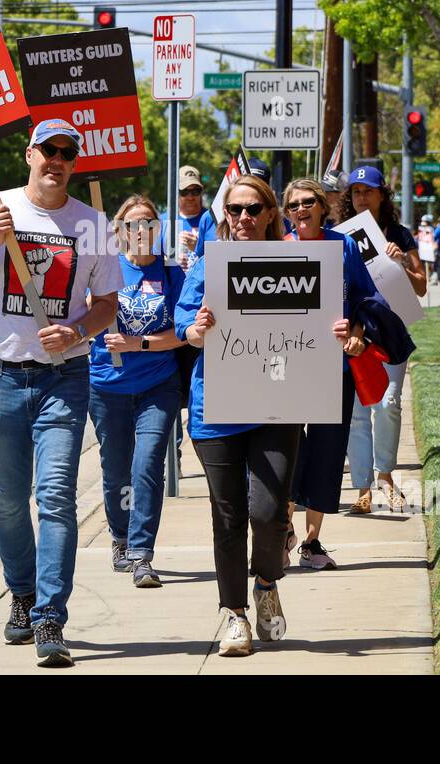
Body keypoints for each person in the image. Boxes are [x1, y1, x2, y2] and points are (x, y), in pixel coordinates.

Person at [175, 175, 380, 655]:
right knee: (227, 515)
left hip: (278, 406)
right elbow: (183, 327)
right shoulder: (210, 261)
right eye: (234, 210)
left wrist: (344, 332)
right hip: (217, 409)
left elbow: (342, 316)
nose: (242, 218)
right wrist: (196, 328)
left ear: (271, 214)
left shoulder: (305, 261)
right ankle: (235, 616)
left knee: (268, 514)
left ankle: (266, 584)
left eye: (252, 210)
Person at [0, 118, 122, 669]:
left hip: (63, 379)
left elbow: (107, 304)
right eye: (49, 150)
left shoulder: (93, 224)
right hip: (1, 377)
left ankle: (50, 614)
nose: (58, 160)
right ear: (30, 154)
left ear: (76, 162)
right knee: (6, 503)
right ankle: (20, 593)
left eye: (67, 153)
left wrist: (77, 332)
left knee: (56, 498)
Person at [89, 195, 186, 590]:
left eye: (149, 222)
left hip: (157, 385)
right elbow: (82, 314)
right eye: (133, 224)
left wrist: (138, 344)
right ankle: (120, 536)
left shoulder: (172, 273)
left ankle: (142, 554)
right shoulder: (104, 270)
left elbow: (183, 333)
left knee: (147, 466)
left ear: (158, 228)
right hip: (106, 386)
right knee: (116, 471)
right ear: (120, 231)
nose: (142, 230)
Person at [280, 178, 375, 569]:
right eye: (293, 205)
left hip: (334, 368)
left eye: (308, 202)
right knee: (285, 450)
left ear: (322, 206)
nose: (301, 210)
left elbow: (363, 299)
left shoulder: (344, 245)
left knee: (326, 450)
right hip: (285, 369)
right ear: (286, 213)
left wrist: (356, 336)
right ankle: (282, 530)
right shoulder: (274, 250)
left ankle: (312, 541)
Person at [342, 166, 424, 513]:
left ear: (382, 195)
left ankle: (386, 476)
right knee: (359, 413)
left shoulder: (401, 235)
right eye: (356, 192)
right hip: (357, 335)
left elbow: (420, 285)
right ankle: (362, 486)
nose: (362, 197)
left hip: (391, 334)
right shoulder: (342, 237)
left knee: (388, 405)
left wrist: (402, 261)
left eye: (368, 191)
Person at [156, 165, 206, 272]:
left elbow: (220, 259)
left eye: (196, 191)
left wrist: (199, 248)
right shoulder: (162, 221)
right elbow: (152, 260)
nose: (190, 197)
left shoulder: (211, 220)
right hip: (174, 286)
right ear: (175, 192)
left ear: (202, 191)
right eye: (184, 192)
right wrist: (169, 260)